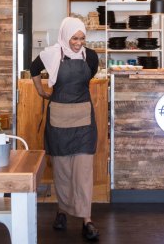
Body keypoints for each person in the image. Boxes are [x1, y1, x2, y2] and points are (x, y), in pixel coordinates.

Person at [30, 17, 100, 241]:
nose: (79, 43)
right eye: (74, 38)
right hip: (59, 120)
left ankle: (86, 219)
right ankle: (62, 211)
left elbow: (91, 74)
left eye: (82, 38)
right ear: (64, 35)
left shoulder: (90, 56)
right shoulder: (52, 54)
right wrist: (41, 92)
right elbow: (33, 68)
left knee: (83, 172)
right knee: (62, 171)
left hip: (83, 120)